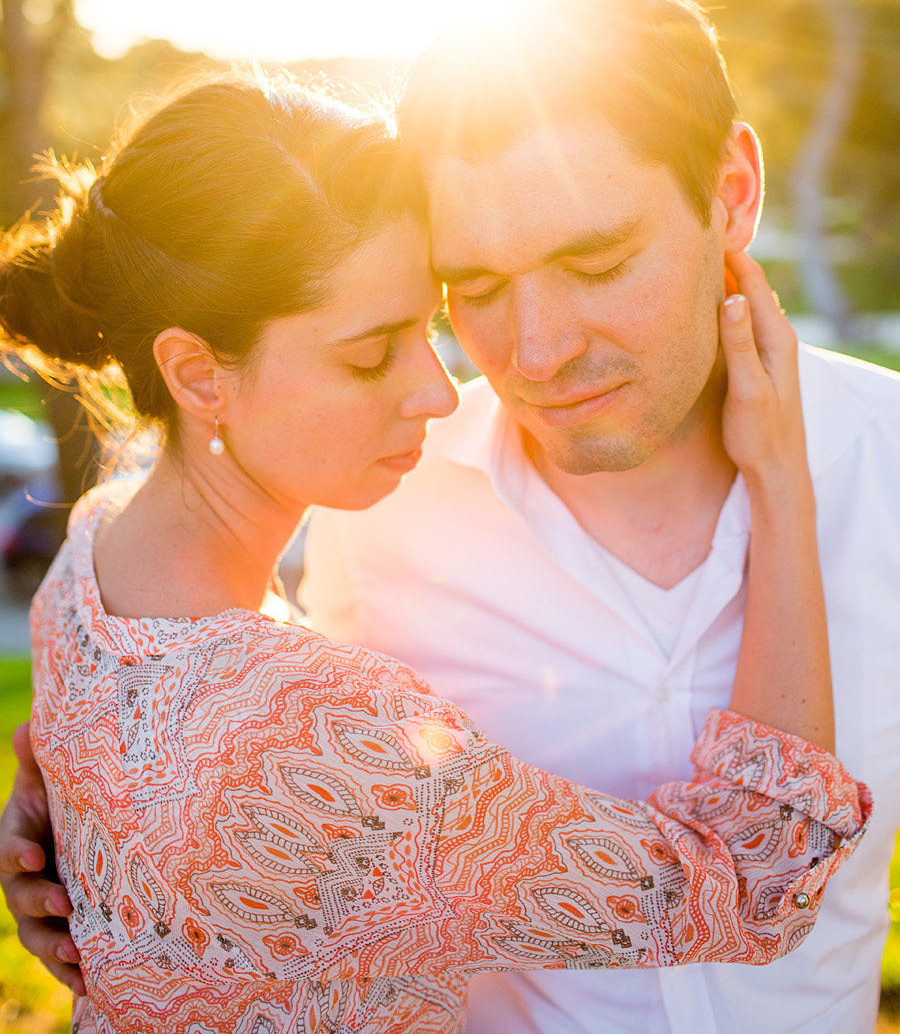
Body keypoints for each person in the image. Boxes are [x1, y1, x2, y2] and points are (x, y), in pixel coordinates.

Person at [0, 69, 869, 1033]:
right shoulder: (324, 724)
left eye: (431, 323)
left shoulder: (91, 565)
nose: (439, 392)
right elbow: (753, 883)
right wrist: (782, 482)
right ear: (199, 374)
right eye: (370, 355)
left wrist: (73, 832)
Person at [292, 0, 900, 1034]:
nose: (536, 353)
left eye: (596, 263)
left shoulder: (889, 464)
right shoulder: (383, 504)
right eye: (472, 289)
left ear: (733, 192)